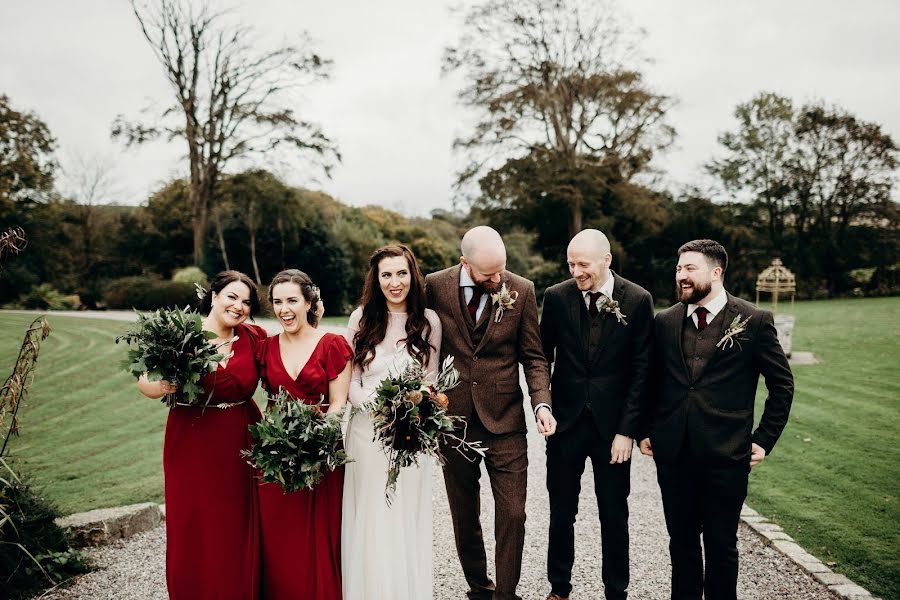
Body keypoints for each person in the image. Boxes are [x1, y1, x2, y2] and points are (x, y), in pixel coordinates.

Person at [639, 239, 794, 600]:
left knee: (722, 545)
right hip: (674, 453)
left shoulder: (754, 321)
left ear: (716, 272)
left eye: (690, 269)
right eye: (679, 269)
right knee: (681, 543)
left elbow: (781, 385)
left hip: (727, 454)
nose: (681, 276)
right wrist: (647, 429)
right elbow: (650, 380)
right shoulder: (665, 321)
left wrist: (764, 439)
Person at [425, 225, 556, 600]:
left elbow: (534, 356)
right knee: (464, 512)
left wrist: (541, 403)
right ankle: (479, 586)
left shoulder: (522, 289)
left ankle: (506, 594)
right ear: (464, 262)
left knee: (514, 513)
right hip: (454, 420)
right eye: (487, 275)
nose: (497, 280)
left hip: (506, 419)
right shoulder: (434, 286)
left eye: (501, 270)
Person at [137, 270, 266, 600]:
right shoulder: (181, 336)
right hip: (191, 441)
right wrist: (161, 387)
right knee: (194, 522)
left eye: (246, 302)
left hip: (241, 437)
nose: (238, 307)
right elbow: (144, 378)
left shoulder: (254, 337)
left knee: (235, 523)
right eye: (232, 297)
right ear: (214, 296)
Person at [539, 229, 654, 600]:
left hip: (612, 431)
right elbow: (542, 356)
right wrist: (543, 405)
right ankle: (559, 588)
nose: (576, 271)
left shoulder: (637, 300)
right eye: (571, 263)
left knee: (614, 515)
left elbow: (642, 371)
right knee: (561, 512)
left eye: (583, 264)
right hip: (566, 425)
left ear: (607, 260)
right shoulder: (556, 298)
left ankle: (616, 591)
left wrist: (627, 431)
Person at [341, 244, 442, 599]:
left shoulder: (429, 321)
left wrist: (411, 410)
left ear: (412, 275)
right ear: (376, 279)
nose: (394, 282)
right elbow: (349, 379)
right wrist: (376, 406)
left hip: (408, 437)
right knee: (371, 514)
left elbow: (430, 381)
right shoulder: (360, 319)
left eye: (401, 273)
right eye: (386, 274)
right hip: (366, 434)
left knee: (404, 513)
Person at [256, 269, 353, 600]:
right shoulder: (265, 347)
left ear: (309, 302)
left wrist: (316, 440)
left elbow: (339, 403)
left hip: (320, 453)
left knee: (319, 536)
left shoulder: (333, 345)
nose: (284, 309)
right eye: (278, 301)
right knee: (279, 536)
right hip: (276, 454)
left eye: (292, 300)